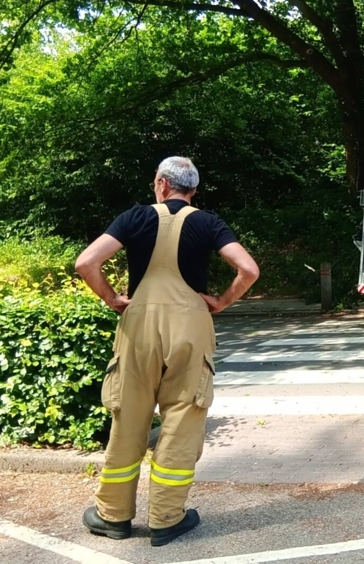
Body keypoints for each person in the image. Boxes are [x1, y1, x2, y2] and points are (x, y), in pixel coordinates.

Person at [74, 156, 259, 547]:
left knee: (129, 419)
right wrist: (222, 301)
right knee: (182, 421)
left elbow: (86, 262)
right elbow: (249, 270)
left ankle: (113, 516)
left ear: (161, 184)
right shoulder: (208, 223)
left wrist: (112, 298)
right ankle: (166, 519)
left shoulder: (135, 217)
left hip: (138, 327)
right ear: (193, 191)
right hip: (190, 327)